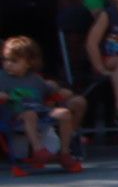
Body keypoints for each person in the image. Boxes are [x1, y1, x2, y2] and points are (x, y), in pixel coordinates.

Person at [2, 35, 83, 172]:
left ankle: (64, 152)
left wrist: (58, 89)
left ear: (28, 62)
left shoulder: (35, 79)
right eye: (5, 60)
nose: (8, 64)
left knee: (64, 113)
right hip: (14, 115)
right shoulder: (2, 77)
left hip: (39, 111)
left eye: (14, 61)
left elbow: (53, 92)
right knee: (30, 114)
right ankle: (38, 149)